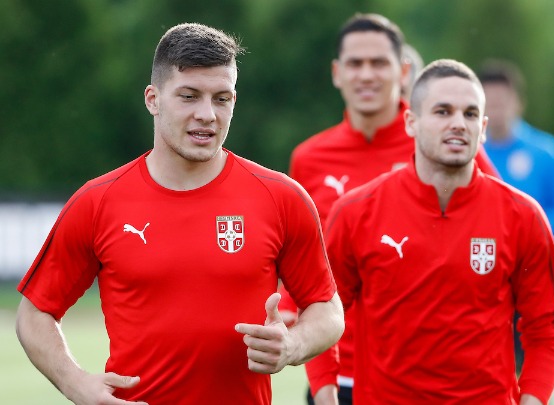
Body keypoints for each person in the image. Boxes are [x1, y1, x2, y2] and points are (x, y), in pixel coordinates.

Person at [15, 23, 344, 405]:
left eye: (222, 99)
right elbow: (34, 314)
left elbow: (327, 308)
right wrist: (77, 385)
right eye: (189, 96)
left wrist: (293, 345)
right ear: (153, 99)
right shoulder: (98, 201)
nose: (207, 114)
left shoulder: (281, 197)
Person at [309, 59, 554, 404]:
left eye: (470, 114)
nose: (458, 123)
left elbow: (546, 329)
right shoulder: (356, 212)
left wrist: (533, 400)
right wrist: (325, 393)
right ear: (410, 123)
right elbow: (322, 310)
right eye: (443, 111)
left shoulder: (523, 216)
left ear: (483, 128)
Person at [277, 14, 499, 405]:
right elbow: (303, 257)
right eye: (355, 64)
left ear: (404, 71)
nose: (367, 75)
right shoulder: (309, 158)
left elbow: (499, 223)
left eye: (379, 63)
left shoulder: (442, 142)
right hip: (335, 366)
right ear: (337, 73)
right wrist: (288, 311)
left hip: (426, 372)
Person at [478, 59, 554, 266]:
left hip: (538, 260)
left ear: (519, 103)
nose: (495, 110)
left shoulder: (546, 151)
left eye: (501, 101)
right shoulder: (470, 154)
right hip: (485, 260)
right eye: (489, 102)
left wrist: (526, 232)